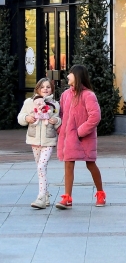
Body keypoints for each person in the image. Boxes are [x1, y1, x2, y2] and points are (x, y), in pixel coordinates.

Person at [55, 64, 105, 210]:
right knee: (68, 164)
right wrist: (60, 129)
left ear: (77, 76)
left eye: (70, 73)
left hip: (84, 139)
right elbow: (61, 115)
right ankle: (67, 198)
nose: (68, 76)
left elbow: (95, 117)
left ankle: (100, 193)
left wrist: (79, 132)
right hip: (68, 139)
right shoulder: (65, 95)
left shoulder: (88, 95)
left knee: (90, 164)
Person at [17, 78, 61, 209]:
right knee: (40, 168)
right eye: (42, 87)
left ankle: (41, 197)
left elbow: (59, 119)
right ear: (37, 89)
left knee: (41, 166)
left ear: (52, 89)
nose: (45, 89)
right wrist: (26, 118)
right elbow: (20, 117)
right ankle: (46, 195)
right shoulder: (29, 102)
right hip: (34, 140)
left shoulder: (55, 104)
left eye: (48, 87)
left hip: (48, 140)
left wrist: (56, 121)